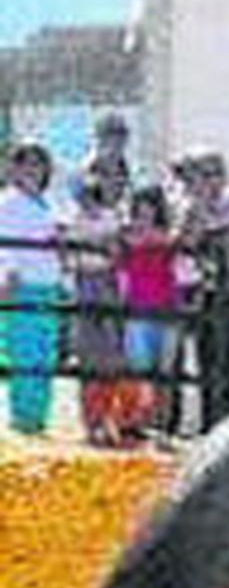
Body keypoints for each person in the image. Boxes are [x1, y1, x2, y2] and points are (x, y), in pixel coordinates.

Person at [175, 149, 229, 429]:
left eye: (213, 174)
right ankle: (212, 424)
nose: (207, 181)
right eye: (200, 176)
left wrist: (210, 221)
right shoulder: (188, 207)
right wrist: (199, 210)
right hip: (210, 295)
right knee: (211, 362)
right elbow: (187, 241)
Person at [0, 144, 67, 436]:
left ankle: (39, 417)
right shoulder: (7, 202)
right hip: (22, 284)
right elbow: (5, 243)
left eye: (38, 165)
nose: (32, 171)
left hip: (49, 284)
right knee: (24, 352)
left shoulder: (49, 202)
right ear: (15, 168)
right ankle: (24, 418)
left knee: (46, 353)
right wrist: (7, 276)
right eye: (26, 164)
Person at [70, 156, 132, 445]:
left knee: (112, 356)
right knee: (88, 356)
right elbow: (71, 254)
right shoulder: (75, 218)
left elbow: (118, 251)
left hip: (111, 283)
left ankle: (110, 419)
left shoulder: (116, 216)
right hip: (86, 283)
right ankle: (91, 422)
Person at [117, 183, 184, 438]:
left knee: (165, 371)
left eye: (150, 207)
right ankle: (138, 422)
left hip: (167, 307)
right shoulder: (126, 236)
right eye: (140, 207)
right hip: (138, 308)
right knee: (138, 369)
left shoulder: (167, 236)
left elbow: (178, 243)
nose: (145, 212)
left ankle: (163, 425)